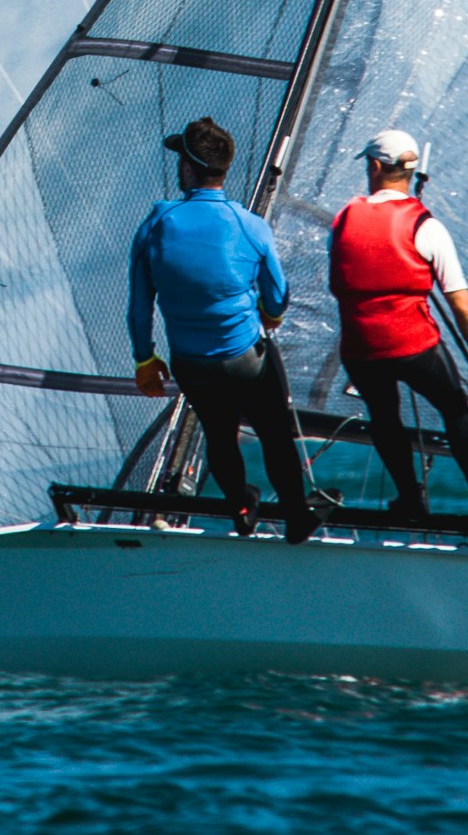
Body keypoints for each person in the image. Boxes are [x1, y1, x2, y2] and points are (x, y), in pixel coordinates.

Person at [126, 115, 322, 542]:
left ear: (190, 167)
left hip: (191, 364)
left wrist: (145, 358)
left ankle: (240, 505)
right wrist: (270, 315)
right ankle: (296, 515)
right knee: (274, 432)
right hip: (245, 360)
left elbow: (139, 306)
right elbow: (277, 295)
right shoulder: (249, 225)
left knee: (218, 433)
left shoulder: (156, 223)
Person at [327, 128, 468, 524]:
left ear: (375, 167)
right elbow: (460, 302)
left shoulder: (342, 220)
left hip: (362, 350)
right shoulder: (426, 225)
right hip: (414, 346)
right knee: (455, 408)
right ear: (409, 172)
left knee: (384, 417)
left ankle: (410, 497)